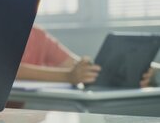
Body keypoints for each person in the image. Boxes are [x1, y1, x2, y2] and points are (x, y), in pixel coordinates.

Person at [17, 26, 155, 87]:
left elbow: (75, 65)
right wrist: (68, 77)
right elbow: (7, 71)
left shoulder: (37, 34)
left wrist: (141, 70)